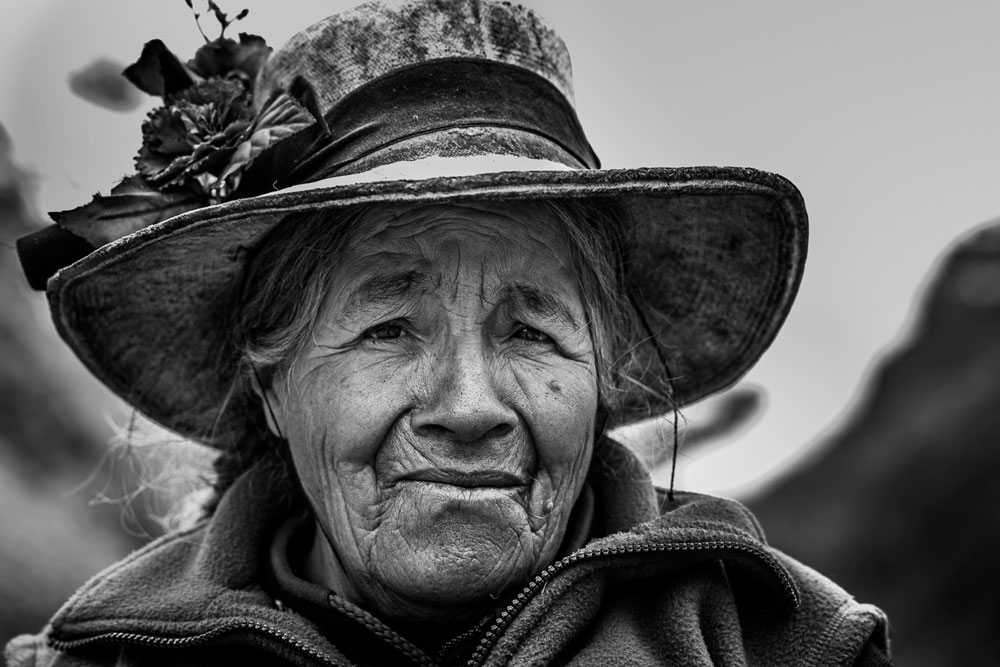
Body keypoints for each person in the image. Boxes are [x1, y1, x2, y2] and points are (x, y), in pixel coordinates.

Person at [6, 1, 893, 665]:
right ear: (273, 384)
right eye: (390, 328)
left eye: (533, 332)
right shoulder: (95, 658)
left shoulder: (787, 645)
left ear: (605, 376)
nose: (470, 407)